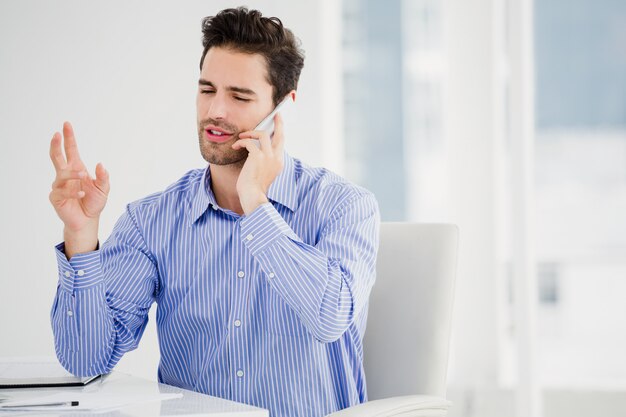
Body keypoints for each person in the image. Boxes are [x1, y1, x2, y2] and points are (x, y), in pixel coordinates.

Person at [48, 7, 379, 417]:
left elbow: (331, 317)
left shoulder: (344, 206)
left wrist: (256, 204)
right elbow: (86, 360)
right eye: (207, 90)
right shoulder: (152, 222)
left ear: (283, 109)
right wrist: (81, 238)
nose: (215, 111)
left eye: (239, 96)